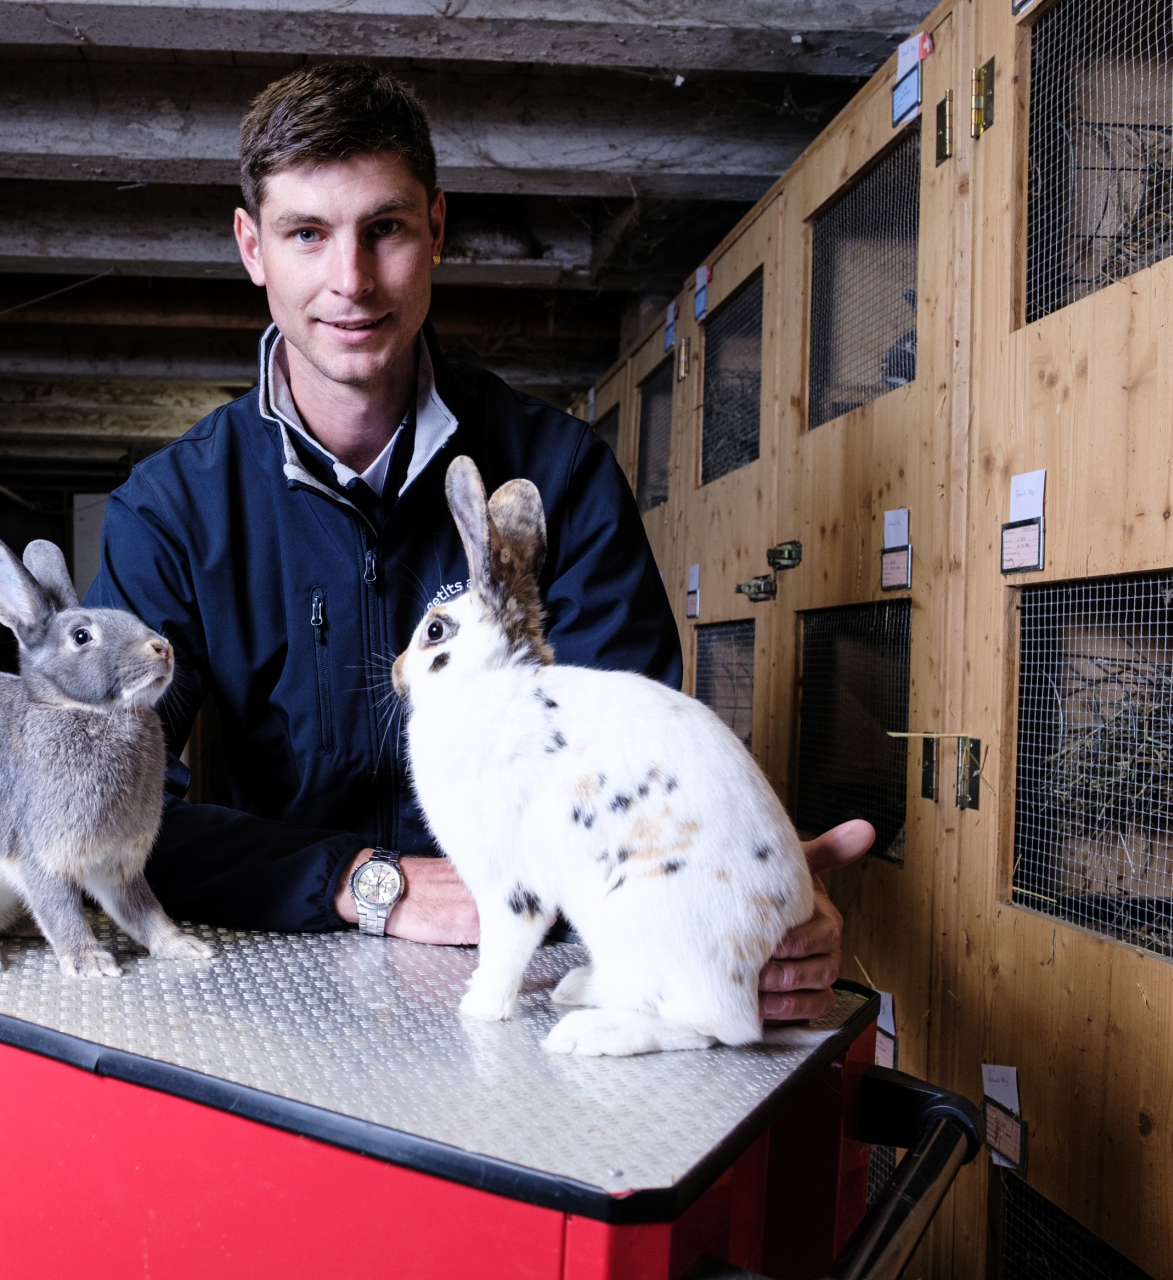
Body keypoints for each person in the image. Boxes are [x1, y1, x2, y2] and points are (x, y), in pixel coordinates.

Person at [87, 63, 870, 1022]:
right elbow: (101, 819)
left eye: (387, 229)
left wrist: (749, 895)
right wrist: (362, 881)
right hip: (286, 977)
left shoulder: (562, 472)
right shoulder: (169, 513)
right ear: (253, 247)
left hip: (545, 979)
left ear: (438, 231)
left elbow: (640, 762)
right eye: (306, 234)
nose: (351, 281)